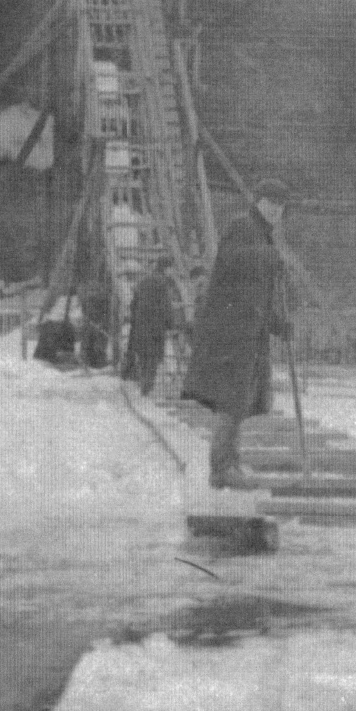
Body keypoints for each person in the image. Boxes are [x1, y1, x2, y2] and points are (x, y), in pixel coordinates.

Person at [182, 179, 293, 490]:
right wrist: (267, 257)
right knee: (230, 401)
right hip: (229, 334)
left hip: (247, 334)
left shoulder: (264, 237)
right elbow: (230, 262)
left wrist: (277, 324)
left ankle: (230, 461)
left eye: (280, 207)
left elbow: (255, 295)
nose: (275, 211)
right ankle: (221, 468)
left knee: (239, 402)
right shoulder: (242, 227)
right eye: (270, 204)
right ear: (257, 202)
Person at [121, 258, 178, 396]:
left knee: (144, 358)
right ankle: (146, 389)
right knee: (152, 359)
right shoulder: (162, 283)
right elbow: (166, 306)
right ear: (166, 268)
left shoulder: (144, 281)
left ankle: (143, 386)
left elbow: (134, 304)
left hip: (140, 327)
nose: (172, 272)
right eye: (171, 268)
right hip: (155, 329)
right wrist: (171, 324)